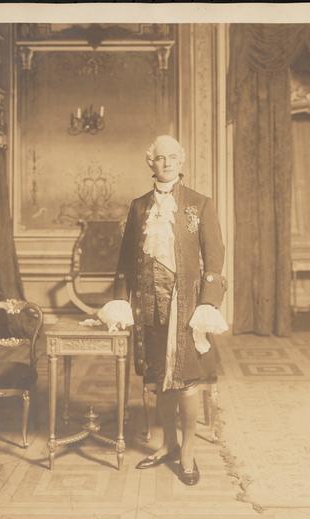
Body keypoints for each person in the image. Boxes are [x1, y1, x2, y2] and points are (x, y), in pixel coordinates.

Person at [98, 135, 228, 485]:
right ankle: (168, 444)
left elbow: (214, 259)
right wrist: (121, 301)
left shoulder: (199, 204)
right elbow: (125, 260)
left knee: (186, 381)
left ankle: (188, 452)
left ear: (181, 161)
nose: (167, 163)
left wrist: (207, 304)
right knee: (159, 379)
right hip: (148, 306)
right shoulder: (139, 206)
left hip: (185, 306)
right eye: (160, 157)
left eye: (172, 157)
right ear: (151, 163)